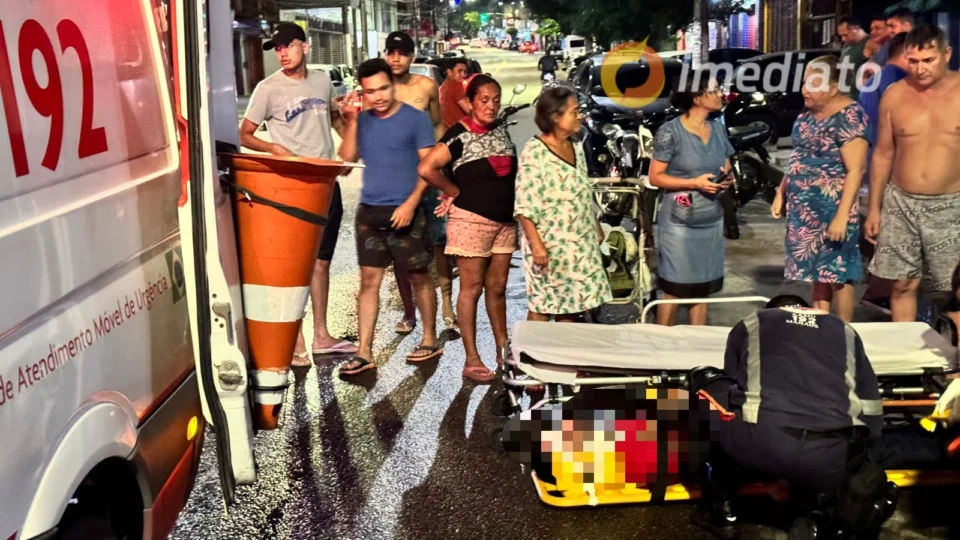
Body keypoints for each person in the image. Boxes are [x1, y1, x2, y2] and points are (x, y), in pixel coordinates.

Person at [691, 296, 895, 540]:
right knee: (818, 462)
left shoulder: (754, 322)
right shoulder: (844, 329)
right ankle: (816, 509)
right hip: (831, 456)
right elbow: (871, 405)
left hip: (760, 443)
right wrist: (860, 459)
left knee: (703, 385)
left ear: (774, 309)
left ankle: (722, 512)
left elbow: (736, 384)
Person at [238, 22, 357, 366]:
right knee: (293, 266)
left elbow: (334, 121)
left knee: (321, 263)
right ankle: (296, 341)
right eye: (277, 49)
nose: (282, 53)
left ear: (305, 47)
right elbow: (245, 134)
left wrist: (347, 138)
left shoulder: (321, 81)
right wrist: (273, 148)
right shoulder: (267, 88)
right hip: (290, 187)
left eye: (287, 46)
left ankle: (321, 335)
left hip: (324, 184)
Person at [336, 59, 441, 376]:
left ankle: (429, 338)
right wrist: (352, 121)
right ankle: (364, 351)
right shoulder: (363, 120)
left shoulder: (414, 120)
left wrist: (410, 204)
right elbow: (346, 159)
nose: (378, 96)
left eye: (383, 88)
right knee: (368, 283)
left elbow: (429, 167)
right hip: (370, 211)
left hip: (406, 211)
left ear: (392, 86)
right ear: (363, 92)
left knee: (418, 276)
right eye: (371, 91)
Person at [418, 75, 518, 382]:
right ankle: (472, 358)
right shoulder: (458, 134)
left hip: (504, 224)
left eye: (495, 100)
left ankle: (504, 352)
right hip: (471, 222)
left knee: (497, 289)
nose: (491, 106)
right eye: (484, 100)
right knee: (471, 289)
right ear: (470, 103)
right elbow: (426, 168)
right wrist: (453, 191)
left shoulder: (501, 129)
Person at [864, 25, 960, 322]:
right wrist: (874, 208)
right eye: (913, 61)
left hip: (951, 205)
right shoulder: (894, 95)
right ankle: (907, 362)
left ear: (946, 54)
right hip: (900, 202)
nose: (920, 69)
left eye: (928, 60)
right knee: (902, 283)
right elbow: (883, 154)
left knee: (954, 290)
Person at [771, 56, 869, 322]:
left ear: (834, 87)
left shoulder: (850, 115)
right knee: (816, 273)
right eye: (804, 83)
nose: (805, 89)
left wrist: (840, 216)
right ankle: (820, 331)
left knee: (838, 273)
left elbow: (856, 170)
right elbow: (797, 157)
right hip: (804, 208)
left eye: (813, 83)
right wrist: (782, 191)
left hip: (833, 206)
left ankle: (844, 332)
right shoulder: (806, 115)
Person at [514, 86, 612, 322]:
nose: (579, 116)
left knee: (571, 306)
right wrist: (537, 246)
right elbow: (524, 205)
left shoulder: (576, 146)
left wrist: (595, 226)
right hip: (549, 246)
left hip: (578, 245)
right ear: (555, 118)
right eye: (574, 111)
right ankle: (531, 357)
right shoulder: (534, 152)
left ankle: (562, 358)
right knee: (543, 304)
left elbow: (582, 192)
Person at [383, 31, 458, 336]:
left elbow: (439, 122)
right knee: (401, 247)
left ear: (412, 57)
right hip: (397, 180)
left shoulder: (426, 86)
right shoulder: (379, 89)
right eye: (391, 52)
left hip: (429, 176)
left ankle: (447, 305)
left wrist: (434, 155)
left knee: (441, 242)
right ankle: (409, 311)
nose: (396, 58)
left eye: (402, 53)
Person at [649, 75, 734, 326]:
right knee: (673, 288)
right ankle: (659, 353)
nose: (721, 93)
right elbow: (656, 177)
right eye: (715, 89)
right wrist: (694, 183)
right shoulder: (670, 132)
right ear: (697, 98)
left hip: (710, 220)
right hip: (679, 224)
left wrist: (726, 181)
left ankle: (698, 351)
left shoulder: (718, 129)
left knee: (702, 288)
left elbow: (726, 167)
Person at [857, 33, 908, 314]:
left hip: (875, 162)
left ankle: (878, 290)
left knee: (886, 233)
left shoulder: (872, 80)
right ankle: (879, 291)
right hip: (892, 168)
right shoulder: (896, 80)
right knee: (893, 236)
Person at [837, 16, 871, 99]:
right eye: (841, 36)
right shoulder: (848, 45)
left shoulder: (870, 43)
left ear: (856, 28)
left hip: (859, 97)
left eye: (846, 35)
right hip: (846, 96)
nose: (843, 39)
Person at [440, 58, 471, 129]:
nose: (464, 75)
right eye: (459, 71)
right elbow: (469, 110)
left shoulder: (443, 86)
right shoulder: (457, 86)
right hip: (459, 132)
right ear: (449, 72)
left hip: (447, 132)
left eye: (465, 71)